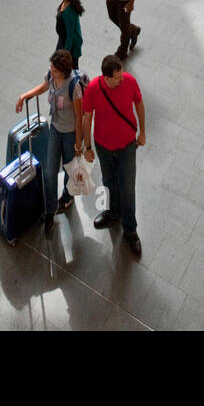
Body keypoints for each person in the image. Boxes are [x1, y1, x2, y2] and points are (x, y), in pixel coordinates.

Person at [82, 54, 145, 259]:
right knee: (109, 181)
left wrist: (142, 132)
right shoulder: (93, 89)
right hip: (103, 146)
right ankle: (114, 213)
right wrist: (87, 147)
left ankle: (130, 229)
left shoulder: (130, 82)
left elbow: (139, 104)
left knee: (127, 186)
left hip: (127, 145)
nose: (122, 79)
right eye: (117, 77)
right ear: (106, 77)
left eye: (121, 75)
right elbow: (87, 117)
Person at [16, 49, 84, 231]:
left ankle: (68, 196)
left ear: (64, 71)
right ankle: (50, 211)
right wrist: (25, 96)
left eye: (55, 70)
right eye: (51, 68)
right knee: (49, 172)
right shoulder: (51, 76)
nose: (51, 72)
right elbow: (43, 86)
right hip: (55, 128)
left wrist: (79, 143)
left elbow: (79, 116)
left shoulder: (74, 86)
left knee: (69, 167)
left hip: (70, 133)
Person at [55, 0, 84, 69]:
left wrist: (65, 54)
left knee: (72, 69)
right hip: (63, 39)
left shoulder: (68, 12)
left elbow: (70, 35)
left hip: (70, 46)